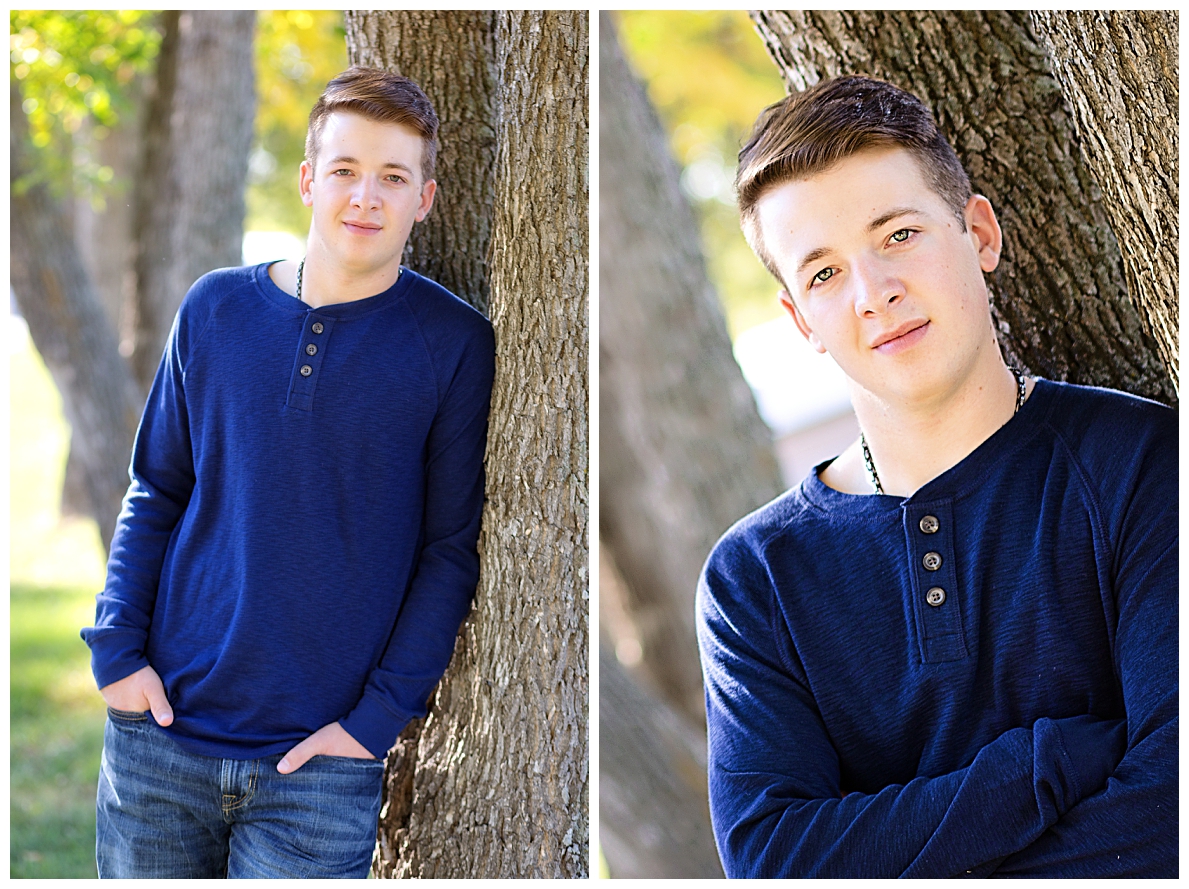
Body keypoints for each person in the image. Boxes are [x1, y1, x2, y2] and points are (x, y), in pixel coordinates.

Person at [696, 75, 1176, 878]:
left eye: (898, 235)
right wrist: (1043, 765)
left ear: (978, 232)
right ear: (798, 322)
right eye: (822, 273)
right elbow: (774, 861)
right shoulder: (754, 580)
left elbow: (1172, 809)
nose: (873, 293)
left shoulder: (1134, 462)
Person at [80, 66, 495, 878]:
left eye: (392, 178)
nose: (364, 198)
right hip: (160, 738)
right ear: (309, 180)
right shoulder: (215, 309)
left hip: (317, 769)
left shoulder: (452, 344)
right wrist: (117, 653)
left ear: (426, 199)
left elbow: (448, 549)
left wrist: (373, 724)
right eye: (344, 170)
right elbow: (157, 487)